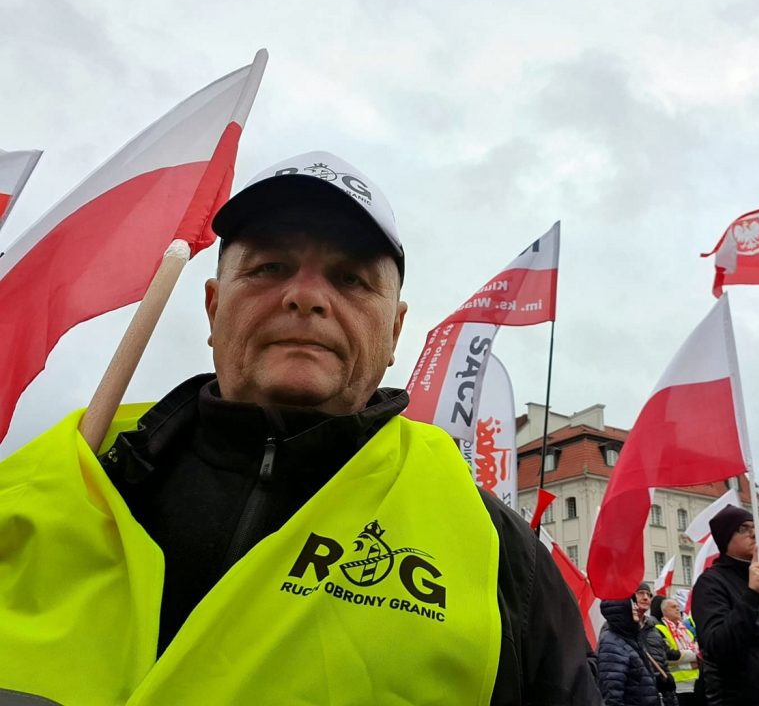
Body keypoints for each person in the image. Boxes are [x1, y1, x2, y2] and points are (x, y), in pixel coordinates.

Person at [0, 152, 602, 705]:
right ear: (213, 307)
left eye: (350, 279)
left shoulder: (499, 554)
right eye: (270, 267)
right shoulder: (60, 480)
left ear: (394, 332)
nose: (306, 296)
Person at [690, 504, 759, 706]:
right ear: (726, 538)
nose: (754, 533)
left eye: (756, 527)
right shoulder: (711, 583)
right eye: (743, 528)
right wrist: (751, 595)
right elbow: (717, 646)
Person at [598, 597, 660, 706]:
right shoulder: (611, 643)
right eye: (631, 604)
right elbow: (612, 695)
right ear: (620, 609)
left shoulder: (630, 637)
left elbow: (636, 677)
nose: (636, 607)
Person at [652, 596, 701, 704]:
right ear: (664, 611)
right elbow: (668, 656)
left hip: (695, 683)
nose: (678, 609)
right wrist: (692, 659)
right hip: (677, 686)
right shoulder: (659, 629)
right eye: (673, 607)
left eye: (678, 606)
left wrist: (690, 656)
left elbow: (699, 651)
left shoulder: (686, 631)